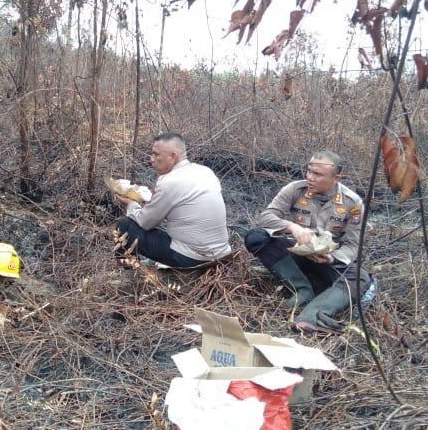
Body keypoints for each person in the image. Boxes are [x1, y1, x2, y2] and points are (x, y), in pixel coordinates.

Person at [243, 150, 371, 332]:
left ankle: (311, 316)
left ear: (336, 178)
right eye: (309, 171)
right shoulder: (295, 189)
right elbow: (266, 216)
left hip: (328, 260)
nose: (310, 177)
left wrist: (332, 258)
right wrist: (293, 228)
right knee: (256, 237)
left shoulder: (353, 203)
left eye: (318, 174)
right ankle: (302, 290)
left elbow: (353, 246)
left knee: (360, 278)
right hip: (297, 252)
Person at [115, 131, 232, 269]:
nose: (151, 159)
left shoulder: (169, 181)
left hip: (193, 258)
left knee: (125, 225)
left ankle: (127, 270)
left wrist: (132, 204)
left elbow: (145, 222)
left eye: (156, 154)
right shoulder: (206, 172)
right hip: (222, 254)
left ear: (173, 157)